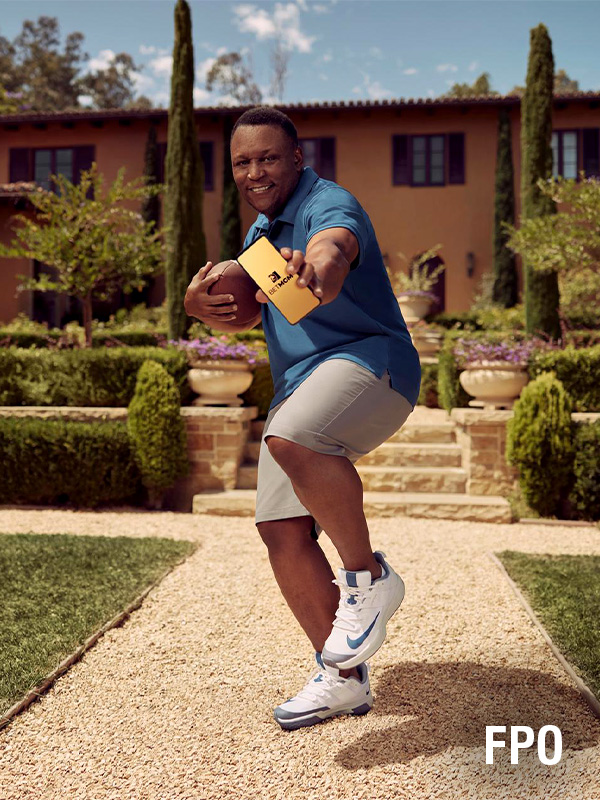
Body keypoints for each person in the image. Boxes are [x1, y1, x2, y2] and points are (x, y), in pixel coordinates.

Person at [184, 107, 421, 731]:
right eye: (242, 162)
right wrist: (197, 305)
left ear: (296, 158)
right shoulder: (259, 239)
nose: (255, 171)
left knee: (292, 436)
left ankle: (369, 577)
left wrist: (318, 269)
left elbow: (331, 253)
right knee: (281, 530)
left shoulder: (329, 204)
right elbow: (247, 309)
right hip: (301, 384)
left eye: (268, 157)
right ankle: (341, 679)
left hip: (373, 363)